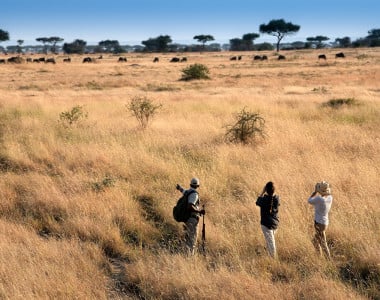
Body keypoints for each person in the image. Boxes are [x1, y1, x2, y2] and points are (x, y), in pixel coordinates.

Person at [176, 177, 205, 256]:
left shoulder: (188, 192)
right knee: (192, 241)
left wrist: (179, 188)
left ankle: (184, 255)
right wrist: (199, 211)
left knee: (187, 239)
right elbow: (190, 206)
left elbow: (183, 191)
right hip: (192, 220)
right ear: (198, 186)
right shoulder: (194, 194)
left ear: (190, 184)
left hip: (187, 219)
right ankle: (189, 258)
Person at [308, 181, 332, 259]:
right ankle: (321, 257)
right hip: (325, 222)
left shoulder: (319, 199)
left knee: (321, 242)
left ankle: (326, 258)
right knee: (318, 241)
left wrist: (315, 192)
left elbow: (309, 200)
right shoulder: (330, 198)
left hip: (319, 223)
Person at [256, 181, 280, 259]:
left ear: (266, 190)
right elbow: (274, 197)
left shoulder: (263, 199)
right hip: (275, 224)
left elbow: (257, 202)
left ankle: (273, 259)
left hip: (266, 224)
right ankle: (267, 254)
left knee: (271, 244)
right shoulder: (277, 198)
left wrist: (262, 192)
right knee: (270, 241)